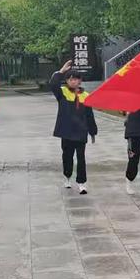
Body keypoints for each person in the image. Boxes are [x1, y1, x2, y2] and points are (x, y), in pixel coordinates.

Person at [49, 62, 98, 194]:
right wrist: (61, 71)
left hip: (81, 132)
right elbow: (53, 84)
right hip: (66, 131)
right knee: (67, 156)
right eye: (70, 79)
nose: (73, 81)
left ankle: (82, 182)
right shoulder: (63, 93)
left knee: (81, 158)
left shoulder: (86, 95)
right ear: (67, 81)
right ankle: (67, 176)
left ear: (80, 81)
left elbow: (89, 115)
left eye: (76, 79)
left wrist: (92, 132)